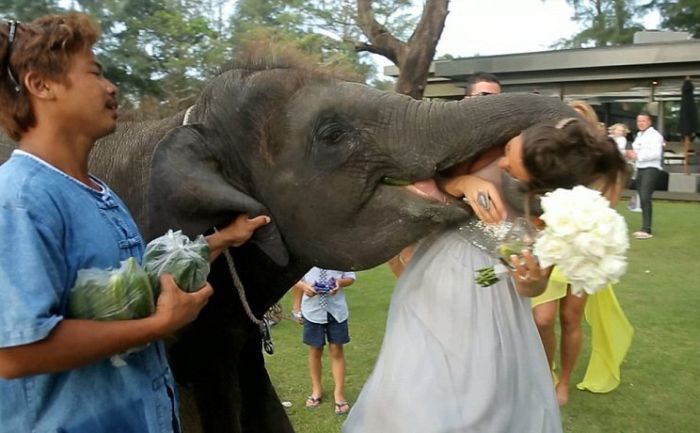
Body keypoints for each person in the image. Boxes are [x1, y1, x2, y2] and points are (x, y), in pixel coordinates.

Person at [0, 14, 269, 432]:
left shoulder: (97, 191)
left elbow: (137, 281)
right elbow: (15, 352)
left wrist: (220, 241)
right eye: (94, 73)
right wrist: (159, 325)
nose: (111, 87)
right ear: (41, 85)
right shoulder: (19, 200)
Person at [343, 117, 627, 433]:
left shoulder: (549, 212)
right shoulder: (486, 149)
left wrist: (531, 281)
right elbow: (420, 186)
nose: (503, 160)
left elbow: (535, 285)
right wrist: (463, 184)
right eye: (508, 150)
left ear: (539, 182)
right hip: (435, 285)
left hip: (493, 310)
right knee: (411, 387)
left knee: (481, 404)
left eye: (511, 166)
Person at [532, 102, 633, 407]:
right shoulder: (547, 156)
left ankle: (563, 382)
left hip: (583, 248)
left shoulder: (605, 162)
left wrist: (587, 221)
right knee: (542, 318)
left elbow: (610, 203)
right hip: (550, 244)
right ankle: (544, 374)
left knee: (570, 317)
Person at [387, 72, 504, 278]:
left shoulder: (505, 146)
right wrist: (463, 183)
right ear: (467, 100)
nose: (493, 105)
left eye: (498, 99)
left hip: (487, 252)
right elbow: (419, 183)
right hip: (435, 245)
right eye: (485, 96)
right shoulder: (442, 137)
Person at [294, 267, 356, 415]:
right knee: (315, 349)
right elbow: (293, 277)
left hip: (336, 310)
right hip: (312, 309)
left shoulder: (340, 255)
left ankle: (339, 394)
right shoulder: (307, 254)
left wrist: (339, 283)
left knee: (336, 350)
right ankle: (316, 390)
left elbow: (351, 277)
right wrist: (304, 287)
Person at [628, 112, 665, 239]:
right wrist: (631, 155)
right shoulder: (639, 135)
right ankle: (644, 227)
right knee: (642, 197)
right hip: (640, 168)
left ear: (649, 121)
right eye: (639, 121)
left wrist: (637, 156)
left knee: (645, 197)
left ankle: (647, 229)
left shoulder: (655, 136)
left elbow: (656, 154)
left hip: (651, 168)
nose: (640, 123)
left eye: (643, 121)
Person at [609, 123, 641, 212]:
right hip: (609, 164)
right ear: (614, 130)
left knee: (616, 183)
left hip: (617, 164)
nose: (620, 132)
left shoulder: (622, 140)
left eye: (622, 131)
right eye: (618, 130)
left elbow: (618, 150)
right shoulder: (609, 138)